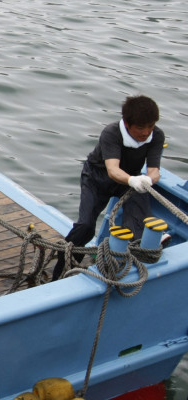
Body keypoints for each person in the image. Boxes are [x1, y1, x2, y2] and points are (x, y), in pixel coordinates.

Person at [52, 95, 165, 279]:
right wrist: (133, 180)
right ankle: (64, 265)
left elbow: (154, 170)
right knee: (86, 226)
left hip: (130, 180)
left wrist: (148, 181)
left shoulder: (156, 136)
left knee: (138, 226)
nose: (146, 132)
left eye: (150, 126)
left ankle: (122, 268)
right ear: (127, 124)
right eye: (140, 127)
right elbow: (113, 170)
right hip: (97, 178)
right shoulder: (112, 133)